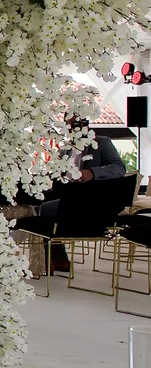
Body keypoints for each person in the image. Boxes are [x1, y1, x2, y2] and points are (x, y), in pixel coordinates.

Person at [40, 116, 126, 272]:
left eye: (77, 123)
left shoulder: (101, 143)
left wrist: (91, 173)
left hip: (90, 201)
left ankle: (49, 260)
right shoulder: (65, 149)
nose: (74, 127)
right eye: (70, 124)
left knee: (42, 211)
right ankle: (57, 260)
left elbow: (119, 168)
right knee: (40, 206)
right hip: (67, 198)